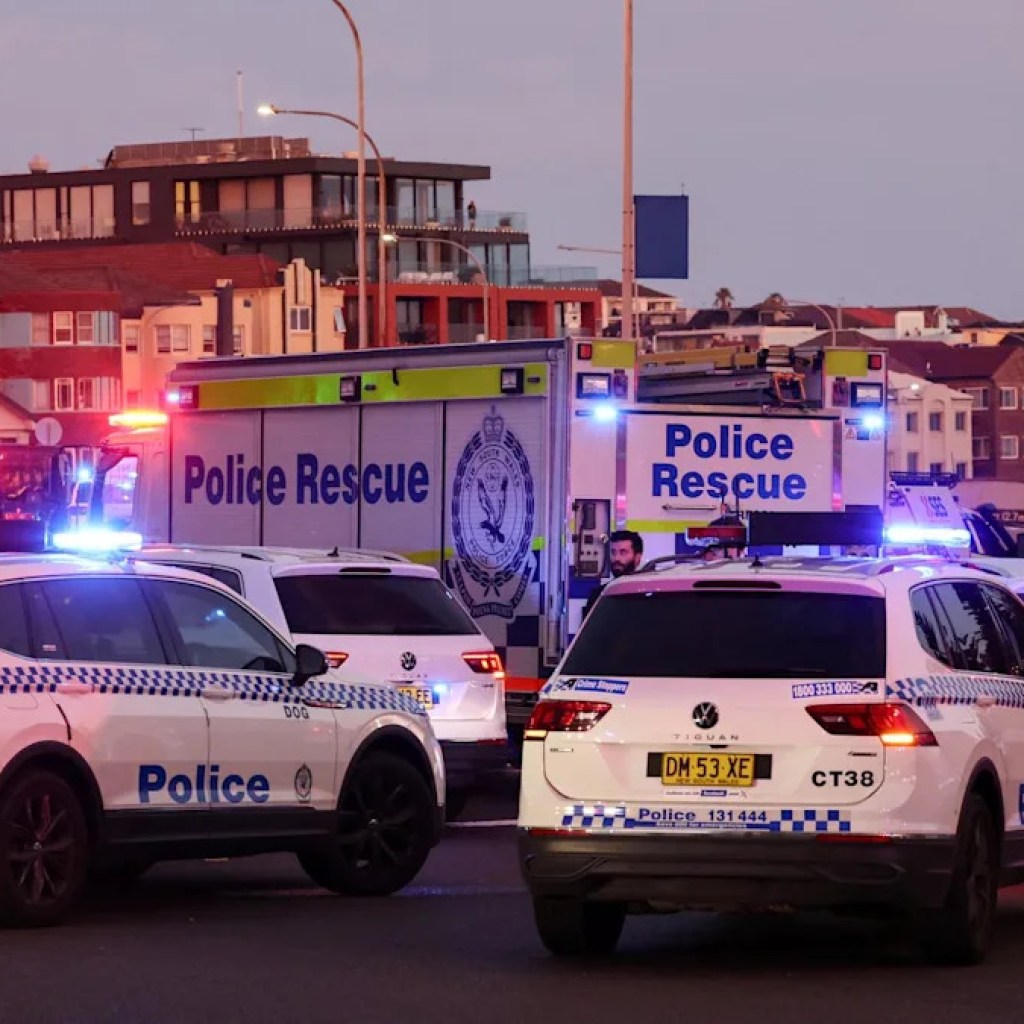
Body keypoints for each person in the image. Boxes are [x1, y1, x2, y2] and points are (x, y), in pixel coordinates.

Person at [582, 529, 644, 619]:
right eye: (613, 552)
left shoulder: (647, 594)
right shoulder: (600, 594)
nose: (616, 558)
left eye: (623, 552)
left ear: (637, 557)